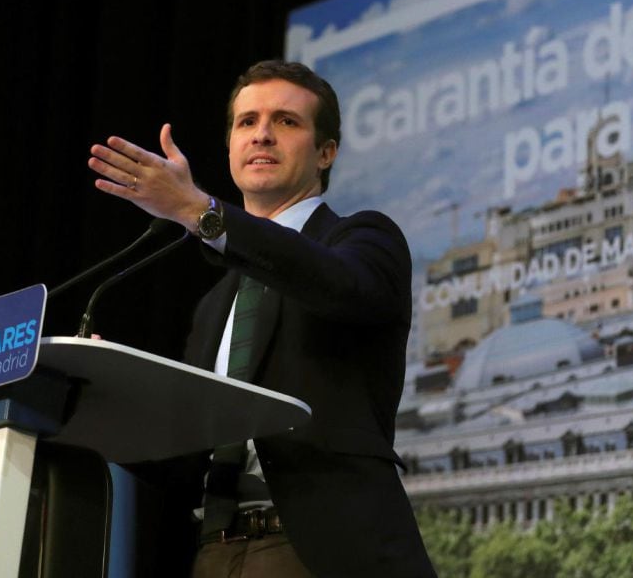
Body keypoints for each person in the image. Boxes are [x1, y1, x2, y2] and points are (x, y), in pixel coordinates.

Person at [87, 60, 436, 577]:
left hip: (323, 549)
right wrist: (106, 402)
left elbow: (332, 285)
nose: (263, 135)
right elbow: (188, 459)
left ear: (326, 152)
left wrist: (203, 213)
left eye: (286, 122)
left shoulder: (365, 241)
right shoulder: (214, 306)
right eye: (246, 122)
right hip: (214, 552)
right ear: (229, 146)